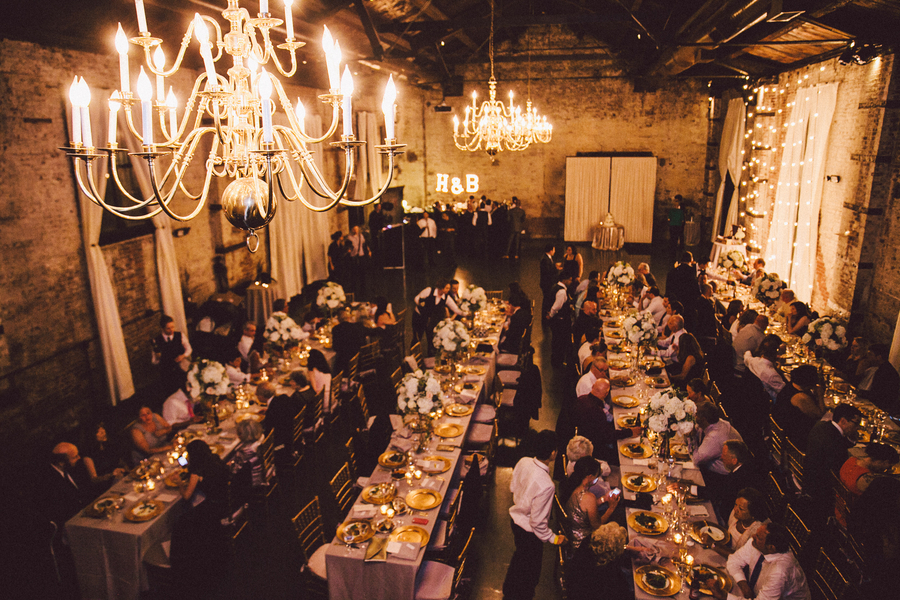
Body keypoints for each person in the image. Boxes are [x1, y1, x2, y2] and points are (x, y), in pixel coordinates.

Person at [502, 430, 566, 600]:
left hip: (515, 521)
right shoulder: (547, 485)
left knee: (519, 557)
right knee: (531, 574)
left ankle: (509, 590)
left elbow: (513, 486)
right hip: (530, 533)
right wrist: (553, 538)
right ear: (553, 453)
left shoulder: (524, 462)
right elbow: (538, 523)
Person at [562, 457, 622, 600]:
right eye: (596, 477)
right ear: (589, 477)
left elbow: (586, 507)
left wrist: (603, 499)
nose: (597, 479)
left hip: (573, 533)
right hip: (583, 544)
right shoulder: (587, 496)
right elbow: (598, 527)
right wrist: (611, 508)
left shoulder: (574, 487)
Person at [709, 522, 810, 600]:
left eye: (758, 537)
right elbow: (733, 560)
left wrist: (724, 596)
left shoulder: (779, 571)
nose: (753, 536)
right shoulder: (756, 543)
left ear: (771, 548)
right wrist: (745, 587)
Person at [802, 403, 862, 522]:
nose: (858, 428)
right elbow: (840, 470)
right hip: (821, 490)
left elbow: (841, 440)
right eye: (856, 424)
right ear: (843, 421)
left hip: (809, 477)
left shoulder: (821, 425)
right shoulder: (836, 444)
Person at [835, 442, 899, 527]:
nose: (885, 470)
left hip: (838, 508)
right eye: (887, 467)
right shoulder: (865, 479)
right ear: (884, 462)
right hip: (849, 520)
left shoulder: (851, 460)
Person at [705, 487, 768, 557]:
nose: (735, 509)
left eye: (741, 509)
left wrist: (714, 545)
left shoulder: (756, 532)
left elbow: (742, 558)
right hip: (723, 550)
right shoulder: (736, 515)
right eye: (735, 504)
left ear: (753, 514)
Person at [772, 365, 824, 449]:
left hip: (786, 429)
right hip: (796, 437)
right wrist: (820, 395)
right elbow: (820, 415)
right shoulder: (801, 397)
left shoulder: (789, 387)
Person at [692, 403, 743, 481]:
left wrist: (690, 437)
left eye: (697, 415)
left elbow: (695, 460)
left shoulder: (714, 437)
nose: (695, 418)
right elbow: (698, 430)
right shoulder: (717, 423)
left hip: (721, 477)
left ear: (704, 419)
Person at [714, 442, 759, 522]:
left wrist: (692, 490)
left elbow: (719, 493)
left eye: (724, 455)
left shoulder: (740, 478)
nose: (721, 457)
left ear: (734, 460)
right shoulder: (741, 469)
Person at [151, 314, 192, 395]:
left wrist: (183, 356)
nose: (171, 330)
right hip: (167, 374)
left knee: (186, 391)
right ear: (162, 328)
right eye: (168, 328)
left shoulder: (180, 335)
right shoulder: (156, 341)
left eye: (172, 327)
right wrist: (158, 357)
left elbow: (189, 349)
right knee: (171, 393)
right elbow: (154, 362)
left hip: (181, 370)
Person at [855, 343, 900, 415]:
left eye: (870, 354)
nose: (868, 357)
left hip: (881, 408)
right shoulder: (883, 368)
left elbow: (877, 395)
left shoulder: (886, 372)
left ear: (879, 357)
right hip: (877, 404)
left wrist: (858, 392)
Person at [744, 334, 786, 402]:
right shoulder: (772, 375)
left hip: (752, 397)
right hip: (773, 403)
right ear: (775, 354)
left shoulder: (753, 361)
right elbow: (785, 392)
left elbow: (746, 355)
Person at [547, 273, 576, 368]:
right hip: (560, 321)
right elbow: (556, 307)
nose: (571, 282)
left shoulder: (556, 286)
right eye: (570, 280)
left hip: (557, 320)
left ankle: (556, 360)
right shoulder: (562, 292)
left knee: (556, 340)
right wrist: (551, 315)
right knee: (559, 341)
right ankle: (557, 362)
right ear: (565, 280)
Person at [230, 419, 265, 489]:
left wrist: (230, 463)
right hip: (262, 472)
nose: (238, 435)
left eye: (240, 433)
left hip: (252, 479)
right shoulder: (261, 439)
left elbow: (235, 470)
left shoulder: (245, 451)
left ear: (247, 434)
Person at [331, 308, 368, 373]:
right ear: (348, 318)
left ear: (338, 320)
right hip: (357, 360)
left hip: (343, 364)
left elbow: (335, 347)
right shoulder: (355, 327)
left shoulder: (335, 329)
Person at [345, 225, 370, 296]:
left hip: (361, 255)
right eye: (354, 229)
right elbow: (348, 246)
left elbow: (364, 244)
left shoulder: (360, 236)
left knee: (363, 273)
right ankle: (354, 288)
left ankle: (363, 288)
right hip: (354, 256)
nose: (355, 230)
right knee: (354, 273)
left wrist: (368, 250)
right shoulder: (349, 237)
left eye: (356, 229)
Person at [307, 349, 333, 413]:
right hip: (332, 399)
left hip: (323, 403)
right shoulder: (326, 369)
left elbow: (314, 389)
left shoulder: (312, 371)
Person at [539, 244, 558, 318]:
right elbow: (547, 272)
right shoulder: (545, 259)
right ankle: (545, 314)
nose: (554, 251)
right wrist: (555, 269)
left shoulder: (547, 258)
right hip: (547, 283)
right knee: (547, 298)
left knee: (547, 298)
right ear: (551, 251)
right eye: (554, 250)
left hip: (547, 283)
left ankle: (546, 312)